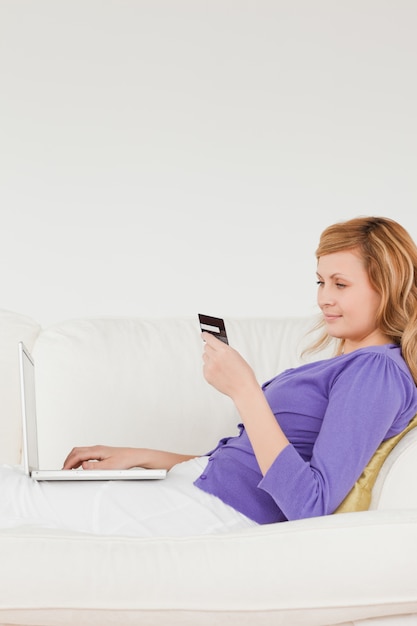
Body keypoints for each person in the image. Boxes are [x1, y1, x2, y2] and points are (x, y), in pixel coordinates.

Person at [1, 216, 417, 536]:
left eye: (341, 284)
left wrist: (245, 390)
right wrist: (143, 458)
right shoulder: (345, 364)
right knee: (13, 484)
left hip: (219, 512)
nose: (324, 297)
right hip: (196, 487)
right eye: (321, 281)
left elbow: (309, 505)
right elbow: (244, 464)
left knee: (11, 497)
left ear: (387, 286)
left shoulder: (376, 371)